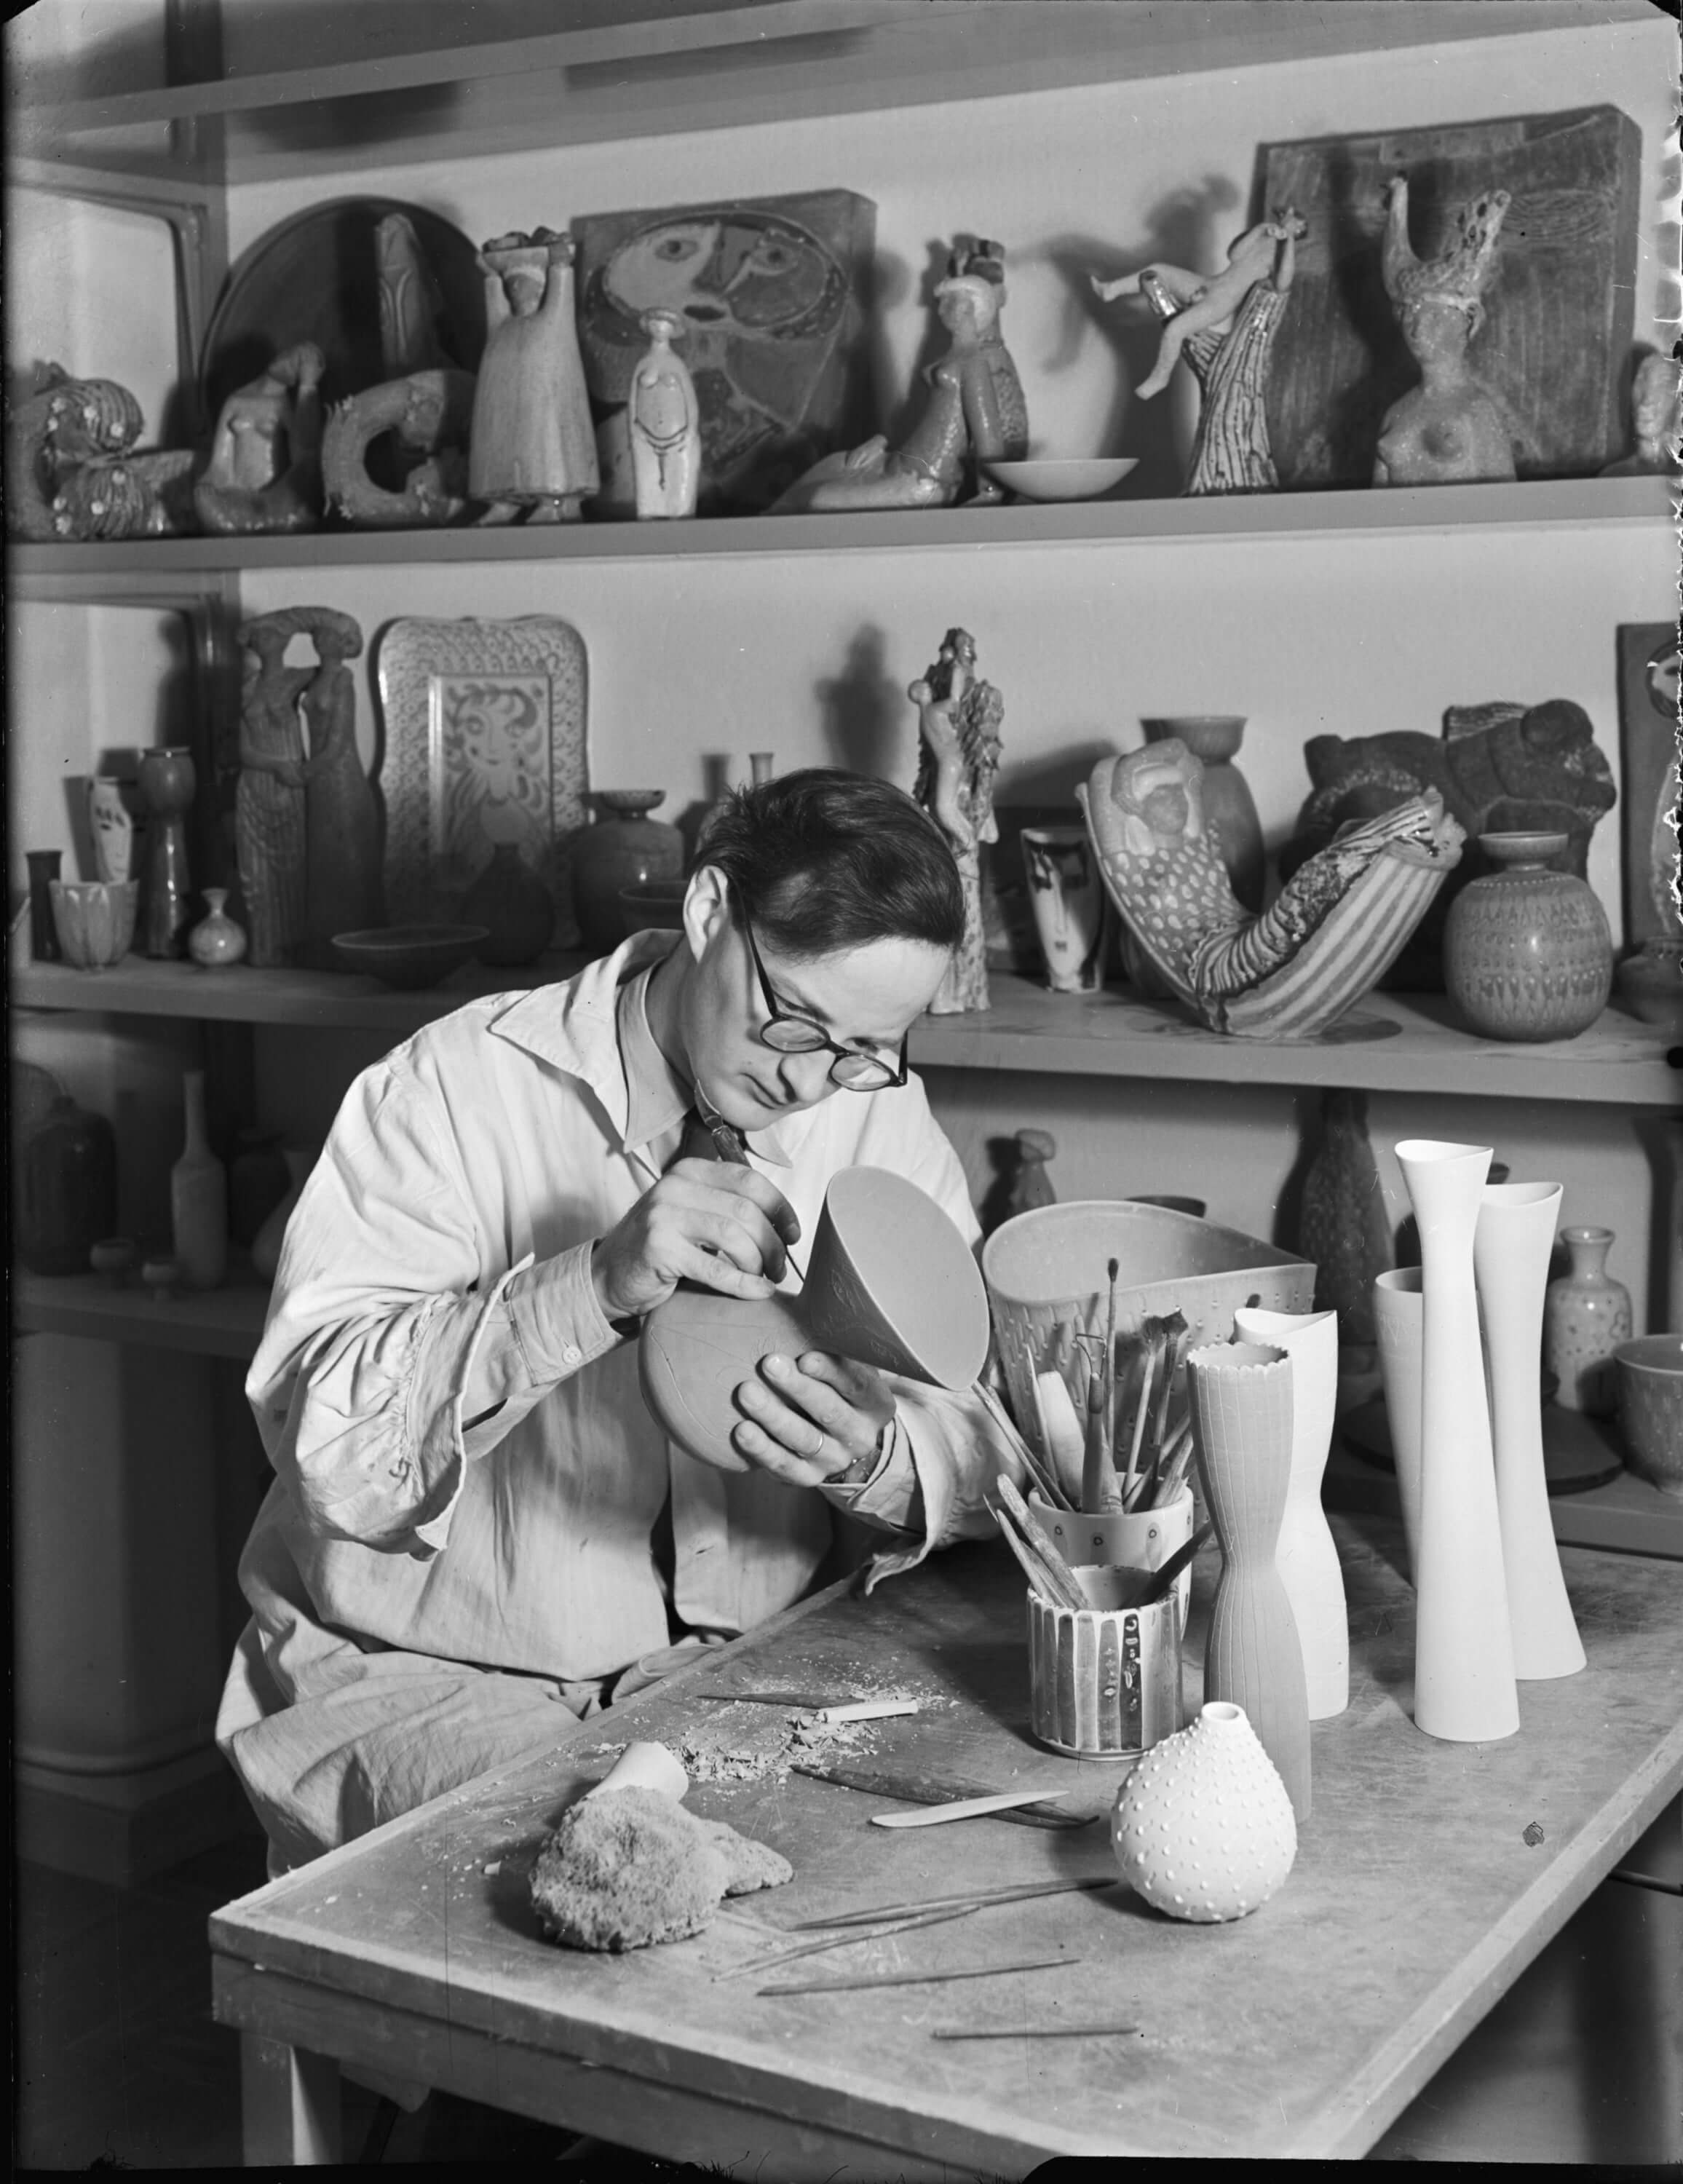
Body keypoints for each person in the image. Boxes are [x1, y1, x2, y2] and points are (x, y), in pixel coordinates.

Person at [218, 768, 1027, 1872]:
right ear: (708, 909)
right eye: (796, 1022)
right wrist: (589, 1286)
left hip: (735, 1675)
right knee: (602, 1898)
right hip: (428, 1678)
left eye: (865, 1050)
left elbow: (1000, 1437)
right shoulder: (450, 1088)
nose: (813, 1085)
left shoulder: (870, 1111)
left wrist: (878, 1459)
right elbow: (325, 1446)